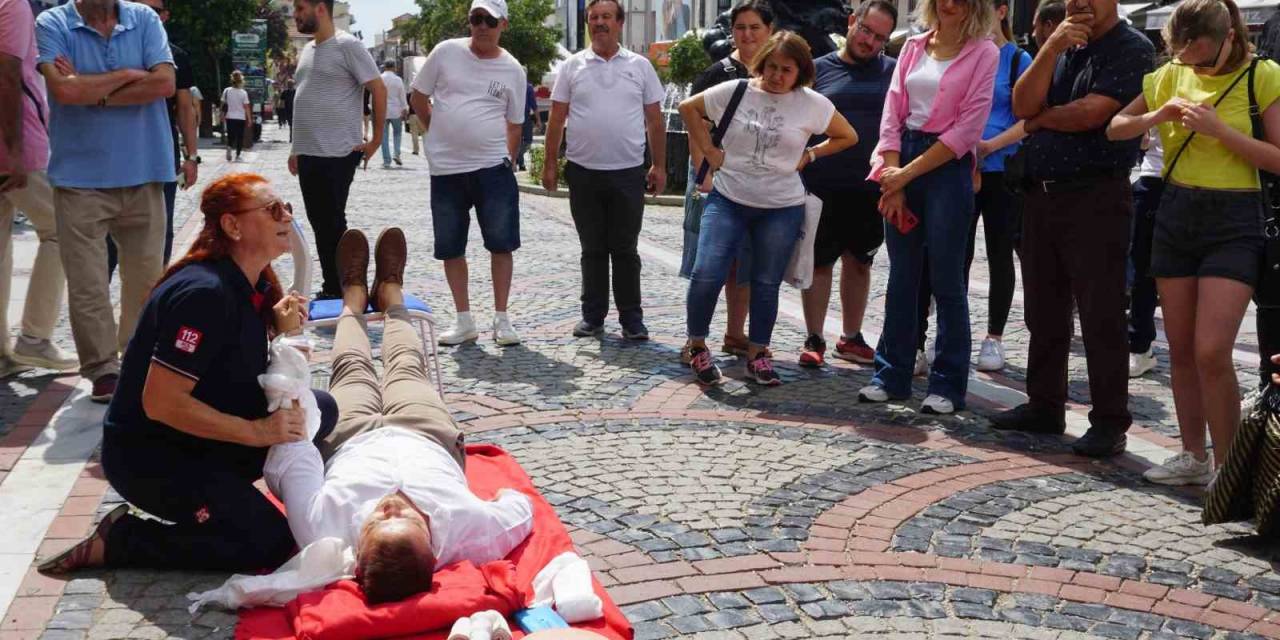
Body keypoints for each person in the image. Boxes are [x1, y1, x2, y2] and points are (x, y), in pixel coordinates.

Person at [36, 173, 338, 574]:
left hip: (201, 434)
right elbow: (161, 402)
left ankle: (228, 494)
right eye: (272, 209)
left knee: (322, 408)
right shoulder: (203, 294)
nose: (285, 216)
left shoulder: (252, 280)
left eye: (285, 207)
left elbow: (238, 362)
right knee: (269, 543)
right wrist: (259, 434)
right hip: (155, 458)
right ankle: (121, 541)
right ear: (232, 226)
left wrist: (280, 330)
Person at [265, 227, 534, 605]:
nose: (390, 506)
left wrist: (290, 363)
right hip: (426, 433)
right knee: (408, 365)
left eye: (377, 521)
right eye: (405, 519)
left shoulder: (321, 532)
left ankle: (353, 298)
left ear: (356, 554)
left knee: (351, 366)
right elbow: (519, 507)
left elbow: (294, 451)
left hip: (350, 437)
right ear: (434, 549)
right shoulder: (474, 534)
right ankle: (392, 293)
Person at [1107, 0, 1280, 482]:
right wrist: (1155, 114)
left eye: (1201, 57)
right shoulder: (1169, 73)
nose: (1192, 64)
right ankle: (1193, 455)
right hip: (1176, 210)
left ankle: (1227, 466)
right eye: (1183, 55)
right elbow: (1115, 126)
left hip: (1236, 217)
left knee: (1211, 349)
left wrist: (1219, 131)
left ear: (1228, 38)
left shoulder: (1262, 76)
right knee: (1181, 347)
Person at [996, 0, 1154, 456]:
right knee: (1043, 308)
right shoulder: (1064, 46)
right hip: (1042, 194)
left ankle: (1109, 421)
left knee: (1100, 312)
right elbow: (1020, 103)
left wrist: (1041, 119)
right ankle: (1044, 404)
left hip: (1096, 195)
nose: (1079, 2)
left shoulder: (1132, 47)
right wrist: (1050, 48)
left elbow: (1093, 113)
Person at [679, 31, 858, 386]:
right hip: (728, 198)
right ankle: (697, 344)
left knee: (765, 282)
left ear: (800, 72)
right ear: (761, 64)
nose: (777, 75)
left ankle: (758, 352)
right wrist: (708, 152)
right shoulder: (739, 90)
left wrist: (811, 154)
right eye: (772, 67)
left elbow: (847, 136)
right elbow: (689, 108)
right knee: (707, 272)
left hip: (781, 206)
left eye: (786, 70)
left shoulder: (811, 103)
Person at [856, 0, 998, 415]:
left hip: (947, 168)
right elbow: (892, 113)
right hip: (903, 159)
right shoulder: (915, 45)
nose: (949, 4)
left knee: (947, 280)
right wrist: (893, 176)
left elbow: (969, 127)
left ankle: (949, 384)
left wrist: (907, 174)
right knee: (901, 276)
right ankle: (890, 374)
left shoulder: (984, 52)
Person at [36, 0, 177, 402]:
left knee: (146, 279)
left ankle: (132, 358)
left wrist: (91, 89)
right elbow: (62, 90)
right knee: (87, 282)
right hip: (79, 176)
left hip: (146, 167)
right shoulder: (53, 22)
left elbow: (164, 83)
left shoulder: (145, 18)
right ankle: (102, 368)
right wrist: (130, 76)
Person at [542, 0, 667, 340]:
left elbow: (655, 119)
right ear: (588, 23)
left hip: (627, 172)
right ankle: (593, 316)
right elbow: (556, 117)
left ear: (619, 23)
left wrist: (659, 165)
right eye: (594, 17)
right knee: (593, 248)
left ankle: (632, 319)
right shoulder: (572, 66)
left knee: (625, 249)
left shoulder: (640, 66)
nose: (599, 23)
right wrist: (550, 163)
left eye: (606, 17)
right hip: (584, 172)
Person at [411, 0, 526, 347]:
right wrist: (437, 133)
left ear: (502, 24)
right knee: (450, 247)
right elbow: (418, 96)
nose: (482, 26)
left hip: (493, 170)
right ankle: (464, 319)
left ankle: (502, 319)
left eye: (489, 20)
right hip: (446, 171)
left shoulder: (513, 70)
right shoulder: (446, 52)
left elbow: (515, 124)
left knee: (501, 244)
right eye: (476, 19)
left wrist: (506, 159)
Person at [797, 0, 896, 368]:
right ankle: (814, 338)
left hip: (870, 187)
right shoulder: (818, 71)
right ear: (852, 22)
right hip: (821, 185)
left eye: (879, 38)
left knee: (860, 262)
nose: (870, 41)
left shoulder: (894, 72)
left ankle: (851, 337)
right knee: (819, 262)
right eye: (866, 30)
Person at [679, 0, 774, 364]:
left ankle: (736, 333)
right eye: (740, 28)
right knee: (708, 264)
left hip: (755, 182)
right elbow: (695, 122)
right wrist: (705, 171)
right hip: (714, 179)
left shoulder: (775, 74)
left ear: (769, 30)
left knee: (746, 262)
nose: (747, 35)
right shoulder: (718, 72)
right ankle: (694, 340)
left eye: (755, 28)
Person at [0, 0, 77, 378]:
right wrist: (13, 150)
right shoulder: (12, 5)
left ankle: (1, 353)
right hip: (15, 146)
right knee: (64, 229)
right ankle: (34, 337)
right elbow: (8, 72)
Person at [288, 0, 385, 300]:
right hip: (308, 153)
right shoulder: (307, 50)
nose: (296, 14)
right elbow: (305, 99)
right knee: (319, 222)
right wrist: (295, 148)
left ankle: (348, 285)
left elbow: (378, 88)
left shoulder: (348, 46)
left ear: (321, 9)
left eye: (301, 8)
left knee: (332, 220)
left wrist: (376, 139)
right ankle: (334, 286)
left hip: (338, 151)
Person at [107, 0, 199, 278]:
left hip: (160, 153)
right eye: (139, 6)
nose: (147, 14)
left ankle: (153, 299)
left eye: (155, 10)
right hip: (113, 152)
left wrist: (191, 157)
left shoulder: (177, 56)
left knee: (159, 234)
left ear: (165, 16)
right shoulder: (116, 48)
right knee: (106, 240)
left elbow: (185, 108)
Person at [967, 0, 1033, 372]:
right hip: (962, 168)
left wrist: (990, 146)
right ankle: (950, 331)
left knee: (999, 254)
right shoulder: (967, 54)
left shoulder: (1016, 60)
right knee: (955, 253)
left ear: (1002, 11)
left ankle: (994, 337)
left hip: (1002, 170)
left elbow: (1029, 120)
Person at [1127, 129, 1163, 378]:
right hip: (1153, 178)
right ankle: (1139, 347)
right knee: (1142, 270)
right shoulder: (1151, 88)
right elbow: (1121, 124)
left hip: (1210, 185)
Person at [380, 60, 407, 168]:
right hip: (396, 110)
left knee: (384, 136)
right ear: (394, 67)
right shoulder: (398, 80)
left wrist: (372, 107)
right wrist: (404, 108)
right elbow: (402, 95)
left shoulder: (380, 79)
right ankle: (396, 153)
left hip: (382, 110)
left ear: (384, 67)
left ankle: (386, 160)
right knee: (397, 133)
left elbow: (375, 95)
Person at [222, 71, 250, 162]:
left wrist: (221, 115)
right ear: (241, 80)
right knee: (240, 136)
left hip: (230, 116)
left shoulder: (226, 91)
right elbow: (246, 107)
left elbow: (222, 103)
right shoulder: (243, 93)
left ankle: (229, 148)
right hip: (241, 117)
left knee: (231, 135)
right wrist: (249, 119)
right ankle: (238, 155)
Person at [518, 78, 540, 171]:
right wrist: (538, 120)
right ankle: (519, 158)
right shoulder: (528, 87)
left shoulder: (512, 84)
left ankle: (519, 161)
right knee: (528, 140)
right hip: (524, 116)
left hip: (513, 116)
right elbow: (534, 105)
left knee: (518, 141)